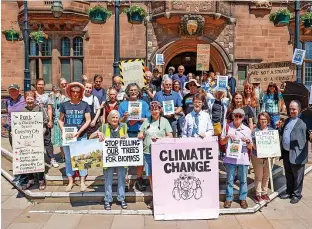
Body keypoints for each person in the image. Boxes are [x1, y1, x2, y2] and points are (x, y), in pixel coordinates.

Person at [90, 110, 128, 210]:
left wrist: (126, 137)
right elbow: (90, 137)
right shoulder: (104, 127)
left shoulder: (123, 126)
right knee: (108, 179)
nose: (115, 119)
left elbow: (128, 139)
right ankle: (108, 200)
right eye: (113, 117)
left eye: (116, 117)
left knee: (121, 179)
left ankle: (122, 198)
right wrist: (97, 134)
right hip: (108, 158)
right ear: (109, 118)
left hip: (121, 158)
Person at [138, 101, 173, 209]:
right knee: (151, 177)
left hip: (161, 154)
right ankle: (155, 199)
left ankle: (164, 197)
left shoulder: (165, 121)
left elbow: (170, 136)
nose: (154, 111)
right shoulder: (146, 121)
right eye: (152, 109)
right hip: (147, 153)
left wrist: (160, 139)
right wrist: (140, 135)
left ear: (160, 110)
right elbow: (141, 133)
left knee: (162, 176)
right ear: (150, 111)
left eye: (156, 109)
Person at [59, 82, 91, 192]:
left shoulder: (85, 105)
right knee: (68, 160)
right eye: (73, 91)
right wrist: (63, 129)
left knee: (82, 160)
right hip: (68, 137)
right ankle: (70, 181)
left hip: (81, 136)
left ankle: (82, 182)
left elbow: (88, 120)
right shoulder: (64, 105)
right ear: (70, 92)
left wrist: (80, 131)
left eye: (78, 92)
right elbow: (60, 120)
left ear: (81, 93)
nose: (75, 94)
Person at [118, 83, 151, 191]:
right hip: (126, 133)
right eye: (131, 90)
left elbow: (149, 119)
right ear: (128, 91)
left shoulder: (144, 104)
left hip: (140, 133)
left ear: (138, 92)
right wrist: (125, 117)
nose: (133, 92)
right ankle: (125, 180)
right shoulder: (123, 105)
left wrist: (140, 119)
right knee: (126, 157)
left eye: (135, 90)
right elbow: (118, 121)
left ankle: (139, 178)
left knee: (140, 158)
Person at [279, 100, 311, 204]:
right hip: (286, 152)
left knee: (298, 176)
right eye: (290, 109)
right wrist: (279, 126)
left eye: (294, 109)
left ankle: (297, 194)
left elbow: (309, 136)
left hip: (298, 153)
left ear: (299, 110)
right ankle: (289, 191)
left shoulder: (304, 122)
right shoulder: (287, 120)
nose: (292, 111)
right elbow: (283, 132)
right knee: (288, 174)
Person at [220, 108, 253, 209]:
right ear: (233, 116)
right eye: (236, 116)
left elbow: (250, 147)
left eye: (240, 116)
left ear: (243, 118)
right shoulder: (227, 127)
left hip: (243, 158)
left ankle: (242, 199)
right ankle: (228, 199)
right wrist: (227, 137)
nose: (238, 118)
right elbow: (222, 142)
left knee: (243, 180)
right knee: (230, 180)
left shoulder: (247, 130)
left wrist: (248, 141)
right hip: (230, 158)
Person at [21, 91, 47, 190]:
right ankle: (30, 179)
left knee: (38, 159)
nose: (30, 101)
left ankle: (41, 180)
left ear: (34, 99)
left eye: (31, 99)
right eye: (28, 99)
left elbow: (45, 122)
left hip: (38, 139)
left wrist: (43, 131)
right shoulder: (23, 110)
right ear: (25, 99)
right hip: (26, 140)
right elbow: (19, 125)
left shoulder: (40, 109)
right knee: (28, 159)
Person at [5, 83, 27, 186]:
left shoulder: (24, 100)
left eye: (14, 90)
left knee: (24, 152)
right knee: (16, 152)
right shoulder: (7, 101)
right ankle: (19, 174)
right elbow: (8, 114)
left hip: (24, 130)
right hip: (12, 131)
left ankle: (25, 175)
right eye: (11, 91)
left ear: (19, 91)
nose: (13, 92)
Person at [251, 112, 275, 203]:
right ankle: (258, 194)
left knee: (266, 176)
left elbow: (275, 143)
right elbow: (252, 144)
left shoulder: (272, 131)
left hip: (269, 157)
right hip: (257, 156)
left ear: (268, 120)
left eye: (265, 119)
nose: (263, 120)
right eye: (261, 119)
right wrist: (258, 149)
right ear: (259, 120)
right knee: (259, 176)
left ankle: (264, 193)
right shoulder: (255, 131)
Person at [35, 78, 59, 168]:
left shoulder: (48, 96)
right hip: (34, 122)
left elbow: (49, 108)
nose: (41, 86)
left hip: (45, 121)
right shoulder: (32, 94)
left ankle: (52, 159)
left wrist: (50, 120)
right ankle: (37, 159)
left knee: (47, 141)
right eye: (39, 84)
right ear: (36, 85)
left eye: (42, 84)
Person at [49, 83, 68, 163]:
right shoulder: (52, 98)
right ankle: (63, 156)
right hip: (56, 121)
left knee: (65, 139)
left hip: (63, 120)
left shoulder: (64, 98)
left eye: (58, 91)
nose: (57, 92)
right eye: (55, 91)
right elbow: (50, 107)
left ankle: (66, 156)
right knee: (60, 141)